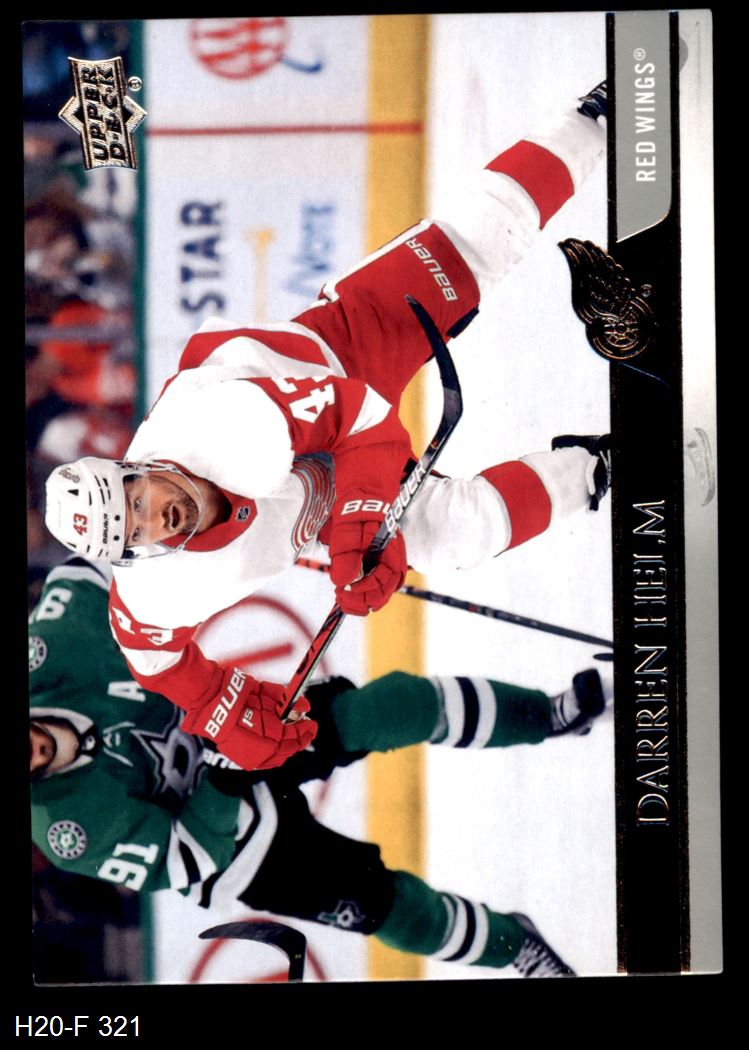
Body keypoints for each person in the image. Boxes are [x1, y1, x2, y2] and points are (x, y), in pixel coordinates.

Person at [43, 84, 611, 774]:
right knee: (457, 534)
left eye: (135, 499)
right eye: (134, 533)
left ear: (137, 468)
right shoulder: (156, 592)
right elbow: (155, 661)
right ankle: (598, 468)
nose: (152, 519)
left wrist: (357, 532)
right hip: (321, 494)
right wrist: (221, 712)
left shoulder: (217, 425)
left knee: (473, 247)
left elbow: (365, 420)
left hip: (337, 358)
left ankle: (591, 120)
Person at [30, 558, 611, 979]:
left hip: (236, 725)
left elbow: (102, 567)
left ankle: (549, 714)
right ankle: (515, 946)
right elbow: (182, 856)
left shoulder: (47, 653)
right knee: (382, 907)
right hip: (234, 849)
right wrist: (225, 776)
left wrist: (188, 559)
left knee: (385, 709)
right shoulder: (65, 831)